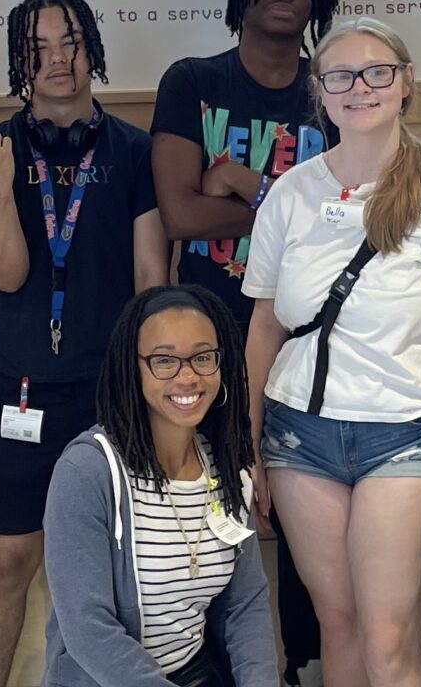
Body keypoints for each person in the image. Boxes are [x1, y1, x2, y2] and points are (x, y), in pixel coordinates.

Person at [243, 18, 421, 687]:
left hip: (403, 440)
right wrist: (248, 445)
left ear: (406, 82)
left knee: (388, 642)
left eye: (377, 72)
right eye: (341, 76)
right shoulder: (290, 195)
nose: (360, 87)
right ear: (320, 93)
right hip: (298, 438)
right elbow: (264, 328)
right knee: (340, 628)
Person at [0, 0, 167, 687]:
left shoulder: (135, 151)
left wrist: (153, 390)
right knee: (9, 560)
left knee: (108, 568)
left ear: (92, 48)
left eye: (69, 41)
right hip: (15, 389)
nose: (57, 59)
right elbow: (7, 272)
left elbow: (149, 276)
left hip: (110, 394)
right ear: (19, 59)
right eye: (37, 47)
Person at [151, 0, 339, 679]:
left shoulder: (333, 92)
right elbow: (181, 218)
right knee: (201, 507)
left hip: (303, 336)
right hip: (204, 337)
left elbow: (340, 222)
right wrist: (283, 213)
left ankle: (305, 662)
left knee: (298, 507)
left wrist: (244, 186)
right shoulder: (193, 81)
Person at [43, 287, 278, 687]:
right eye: (164, 360)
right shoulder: (87, 472)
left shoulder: (225, 464)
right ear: (132, 369)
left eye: (203, 357)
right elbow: (88, 628)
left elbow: (246, 605)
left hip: (197, 670)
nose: (188, 376)